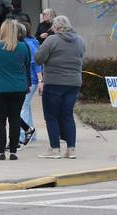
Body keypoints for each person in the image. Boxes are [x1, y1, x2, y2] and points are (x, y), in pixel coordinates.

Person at [34, 15, 86, 160]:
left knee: (52, 117)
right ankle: (71, 150)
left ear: (56, 27)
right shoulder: (80, 40)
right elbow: (82, 57)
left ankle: (55, 149)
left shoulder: (51, 40)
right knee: (67, 115)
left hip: (54, 82)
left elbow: (39, 59)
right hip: (74, 83)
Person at [0, 20, 31, 160]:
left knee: (0, 121)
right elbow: (27, 63)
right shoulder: (23, 47)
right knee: (15, 119)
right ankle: (13, 152)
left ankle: (0, 152)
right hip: (18, 87)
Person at [19, 21, 41, 145]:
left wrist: (40, 80)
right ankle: (32, 135)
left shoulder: (28, 44)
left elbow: (36, 63)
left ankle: (23, 135)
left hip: (31, 80)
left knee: (23, 107)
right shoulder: (31, 42)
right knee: (26, 106)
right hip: (30, 80)